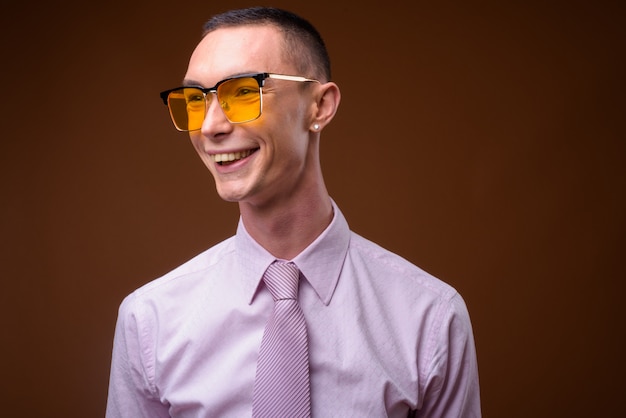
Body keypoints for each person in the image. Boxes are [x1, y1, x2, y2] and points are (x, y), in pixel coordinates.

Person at [106, 6, 481, 417]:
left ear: (320, 106)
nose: (210, 126)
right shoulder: (149, 321)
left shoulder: (430, 319)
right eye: (195, 100)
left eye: (244, 92)